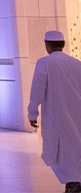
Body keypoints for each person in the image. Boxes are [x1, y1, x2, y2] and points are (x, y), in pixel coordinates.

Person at [27, 29, 81, 193]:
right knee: (74, 147)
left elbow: (37, 88)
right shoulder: (76, 63)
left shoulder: (44, 63)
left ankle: (73, 183)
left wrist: (32, 112)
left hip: (56, 115)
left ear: (47, 45)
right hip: (77, 113)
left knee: (60, 150)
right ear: (63, 45)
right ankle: (74, 181)